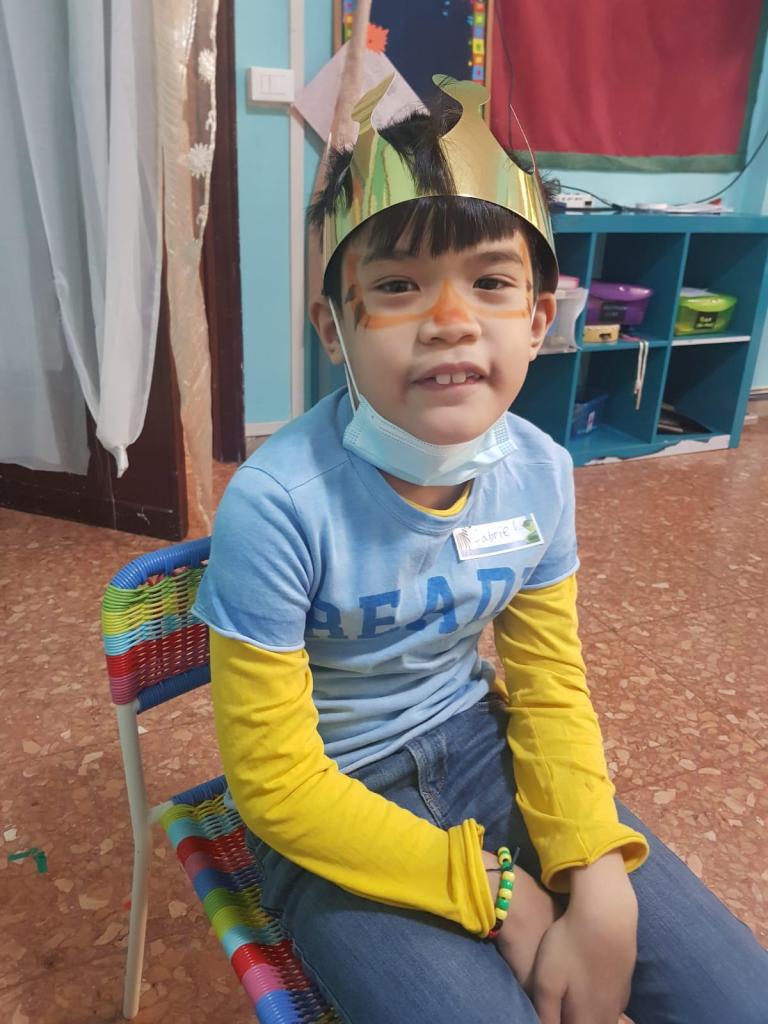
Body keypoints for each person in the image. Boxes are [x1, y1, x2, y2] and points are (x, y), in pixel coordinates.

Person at [193, 76, 768, 1023]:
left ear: (539, 321)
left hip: (482, 755)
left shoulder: (540, 473)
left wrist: (595, 867)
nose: (452, 319)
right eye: (396, 286)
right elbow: (276, 783)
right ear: (333, 328)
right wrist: (499, 895)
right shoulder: (275, 507)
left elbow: (548, 685)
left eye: (492, 283)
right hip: (331, 815)